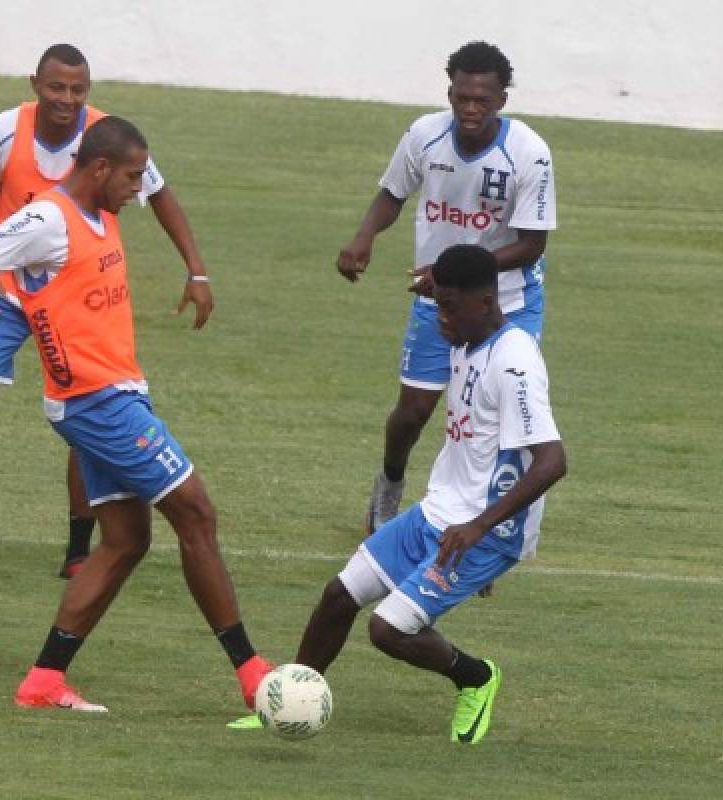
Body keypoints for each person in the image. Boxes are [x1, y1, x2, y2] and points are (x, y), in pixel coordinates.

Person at [0, 116, 270, 713]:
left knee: (126, 540)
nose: (141, 188)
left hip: (115, 396)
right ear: (102, 168)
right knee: (196, 513)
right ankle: (252, 673)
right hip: (98, 405)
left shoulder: (101, 212)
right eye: (134, 176)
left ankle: (44, 680)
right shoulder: (47, 221)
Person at [231, 244, 566, 740]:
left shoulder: (514, 362)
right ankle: (289, 700)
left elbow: (553, 461)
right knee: (339, 596)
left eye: (449, 308)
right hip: (438, 511)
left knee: (387, 630)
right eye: (438, 305)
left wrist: (479, 528)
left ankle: (476, 677)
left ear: (485, 302)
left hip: (482, 530)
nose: (440, 319)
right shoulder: (469, 331)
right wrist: (437, 288)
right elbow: (453, 296)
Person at [0, 43, 213, 578]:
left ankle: (77, 547)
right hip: (6, 289)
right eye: (56, 87)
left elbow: (159, 194)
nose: (67, 98)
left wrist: (197, 269)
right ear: (35, 85)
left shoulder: (105, 139)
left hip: (72, 295)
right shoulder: (1, 131)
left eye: (78, 89)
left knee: (86, 411)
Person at [336, 40, 558, 536]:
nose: (470, 109)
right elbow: (392, 193)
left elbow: (532, 246)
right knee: (414, 412)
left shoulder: (529, 154)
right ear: (450, 93)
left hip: (510, 306)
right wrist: (364, 237)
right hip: (440, 300)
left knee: (500, 419)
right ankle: (389, 484)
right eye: (461, 97)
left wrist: (455, 271)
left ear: (502, 99)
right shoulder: (425, 135)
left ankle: (490, 526)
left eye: (482, 99)